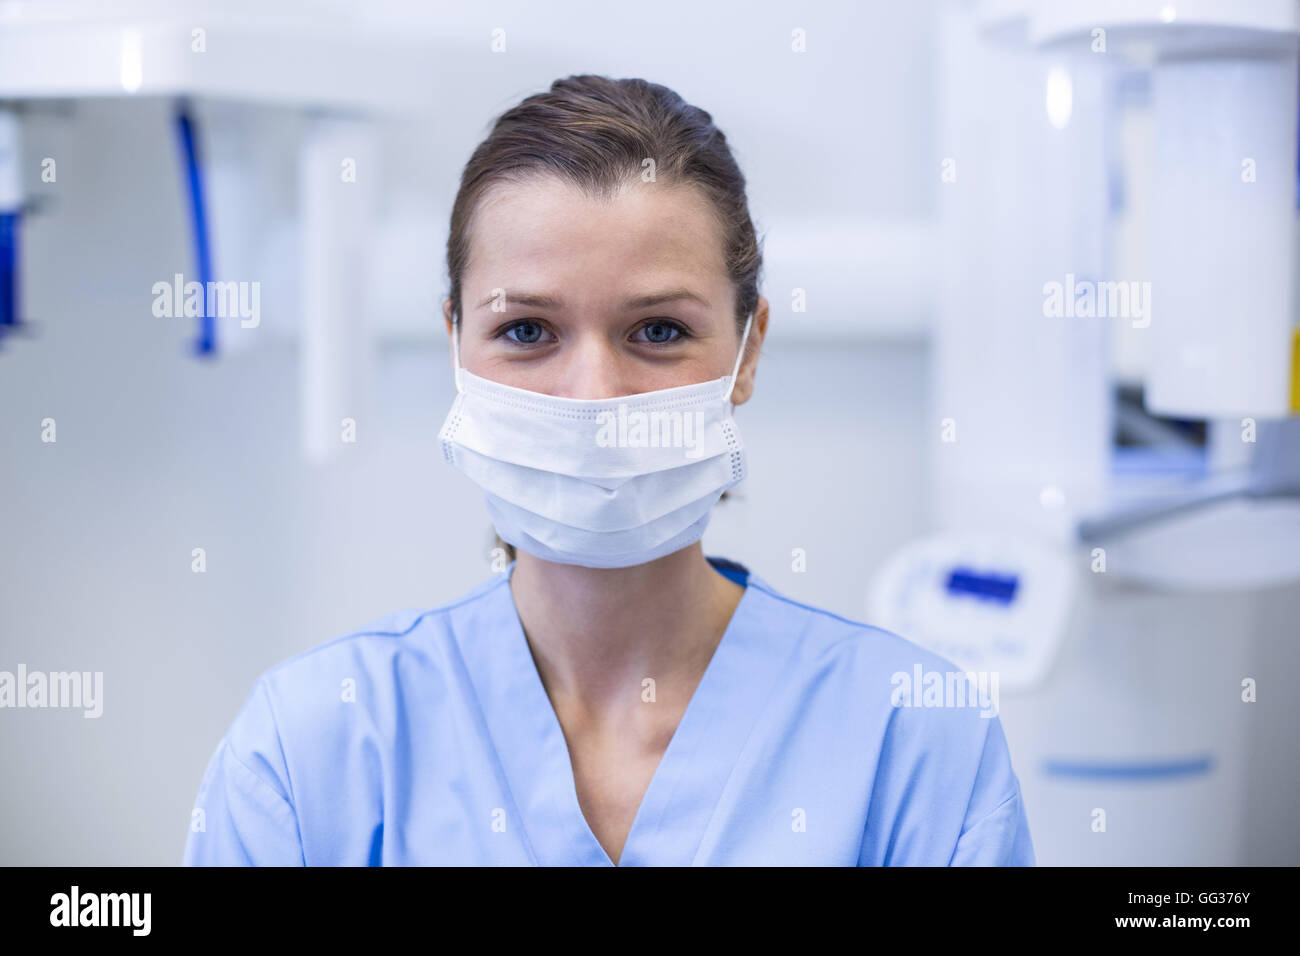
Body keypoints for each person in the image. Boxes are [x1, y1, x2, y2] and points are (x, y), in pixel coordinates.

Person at [183, 74, 1034, 866]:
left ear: (747, 351)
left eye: (657, 330)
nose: (593, 398)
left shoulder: (913, 740)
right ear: (456, 342)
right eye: (526, 331)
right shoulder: (311, 747)